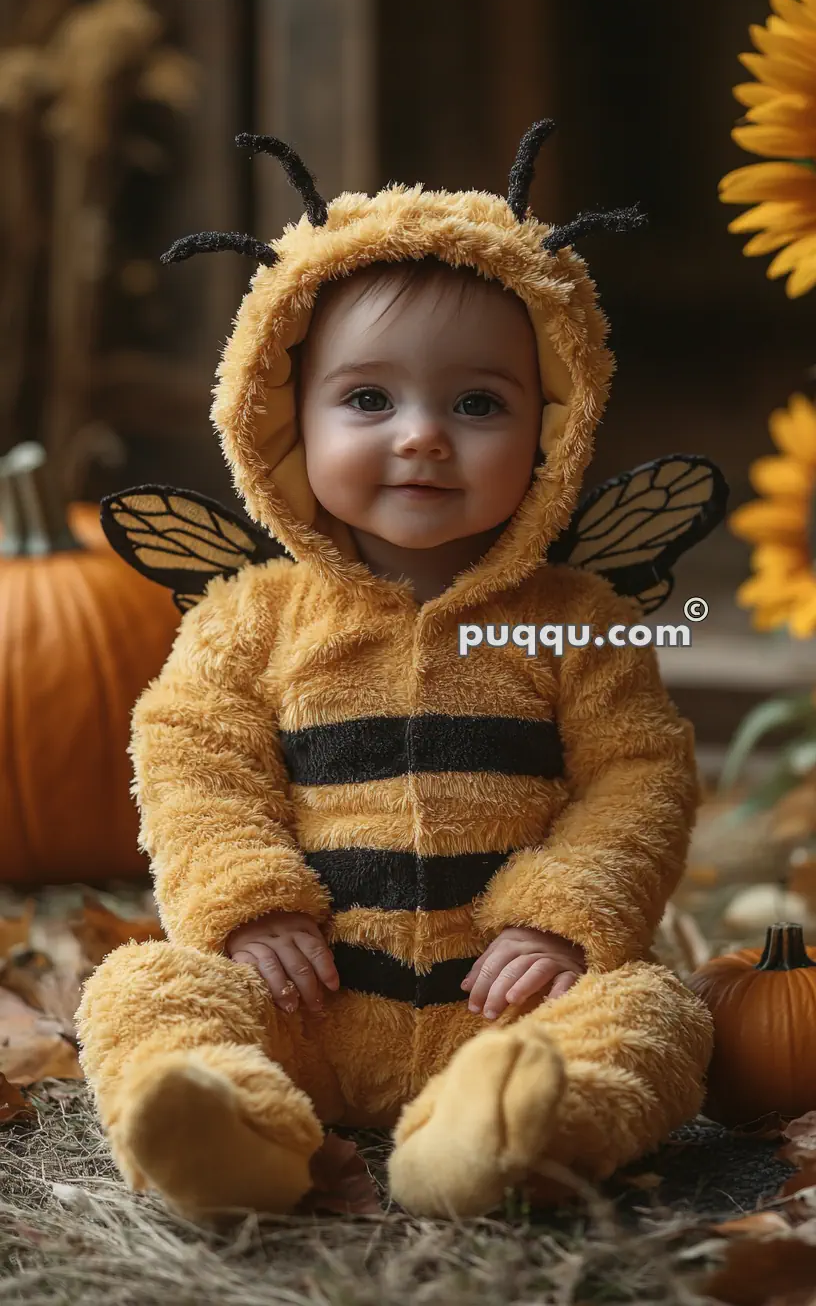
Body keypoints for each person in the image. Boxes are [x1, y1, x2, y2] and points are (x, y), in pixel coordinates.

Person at [74, 125, 714, 1222]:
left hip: (512, 999)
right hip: (306, 994)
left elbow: (638, 775)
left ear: (554, 432)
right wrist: (248, 908)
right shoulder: (250, 620)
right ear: (280, 421)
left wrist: (561, 918)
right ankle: (227, 1126)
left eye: (478, 404)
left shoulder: (578, 623)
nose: (423, 437)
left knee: (657, 1012)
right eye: (369, 400)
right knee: (144, 987)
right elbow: (190, 761)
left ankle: (505, 1135)